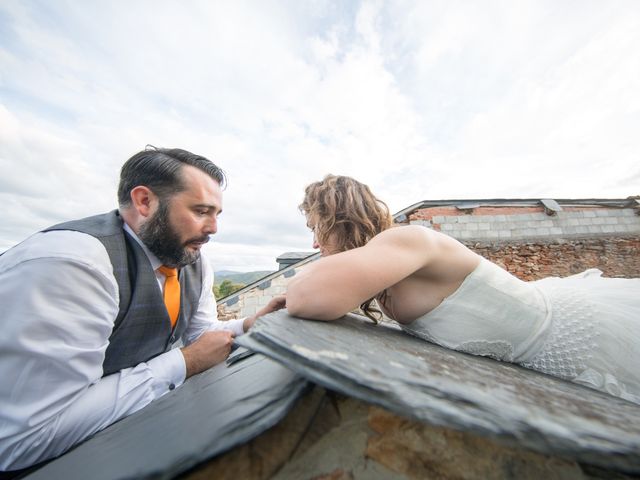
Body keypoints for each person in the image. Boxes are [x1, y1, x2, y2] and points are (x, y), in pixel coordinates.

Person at [0, 147, 285, 474]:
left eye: (217, 214)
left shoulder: (192, 260)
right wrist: (183, 363)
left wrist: (248, 324)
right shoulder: (75, 265)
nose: (213, 228)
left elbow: (201, 334)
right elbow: (24, 438)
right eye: (201, 211)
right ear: (144, 202)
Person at [286, 174, 640, 405]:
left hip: (570, 335)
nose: (315, 243)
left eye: (317, 227)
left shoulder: (404, 240)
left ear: (341, 218)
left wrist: (292, 292)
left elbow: (304, 297)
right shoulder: (381, 263)